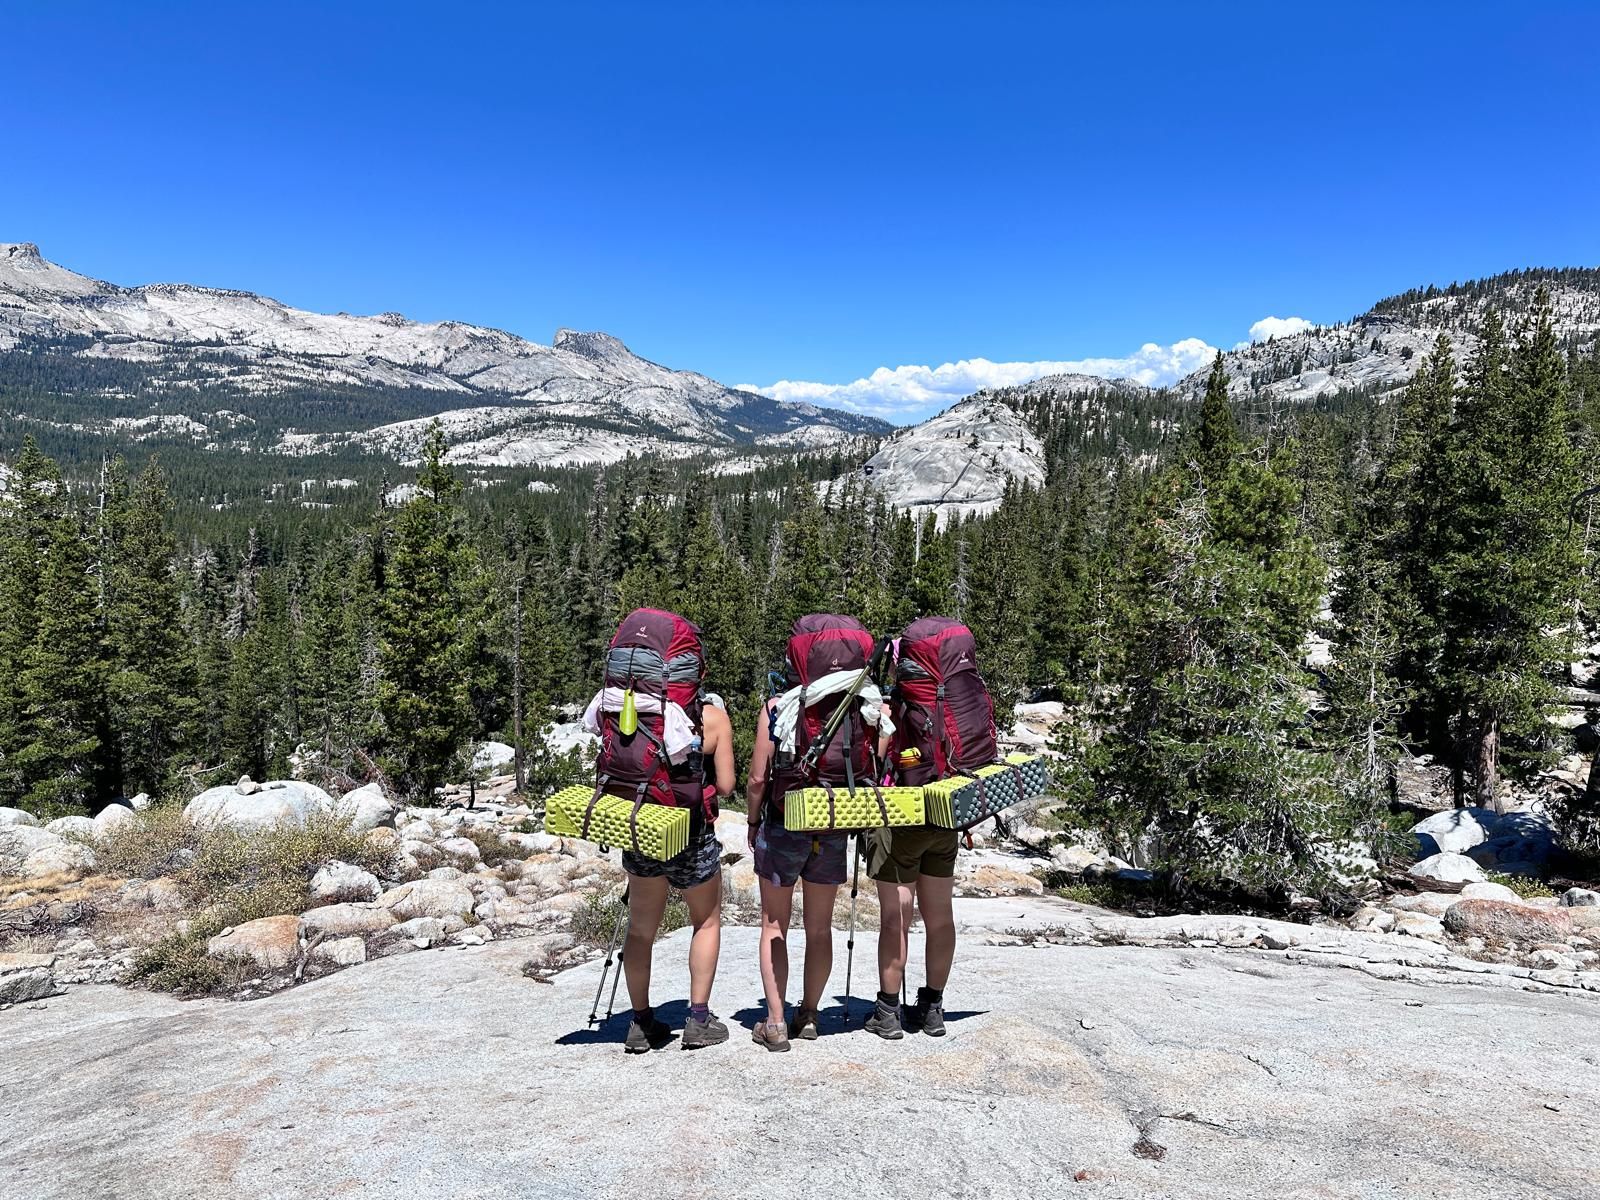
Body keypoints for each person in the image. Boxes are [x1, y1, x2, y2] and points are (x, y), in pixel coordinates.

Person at [744, 614, 890, 1052]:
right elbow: (876, 766)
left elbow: (756, 778)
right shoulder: (867, 706)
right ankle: (809, 1013)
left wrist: (753, 822)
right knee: (820, 928)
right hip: (832, 824)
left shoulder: (778, 707)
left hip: (785, 820)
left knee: (774, 925)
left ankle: (774, 1022)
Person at [618, 695, 736, 1053]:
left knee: (640, 929)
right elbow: (729, 786)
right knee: (706, 921)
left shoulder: (626, 711)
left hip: (643, 829)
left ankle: (641, 1022)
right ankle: (698, 1019)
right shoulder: (712, 718)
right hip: (692, 833)